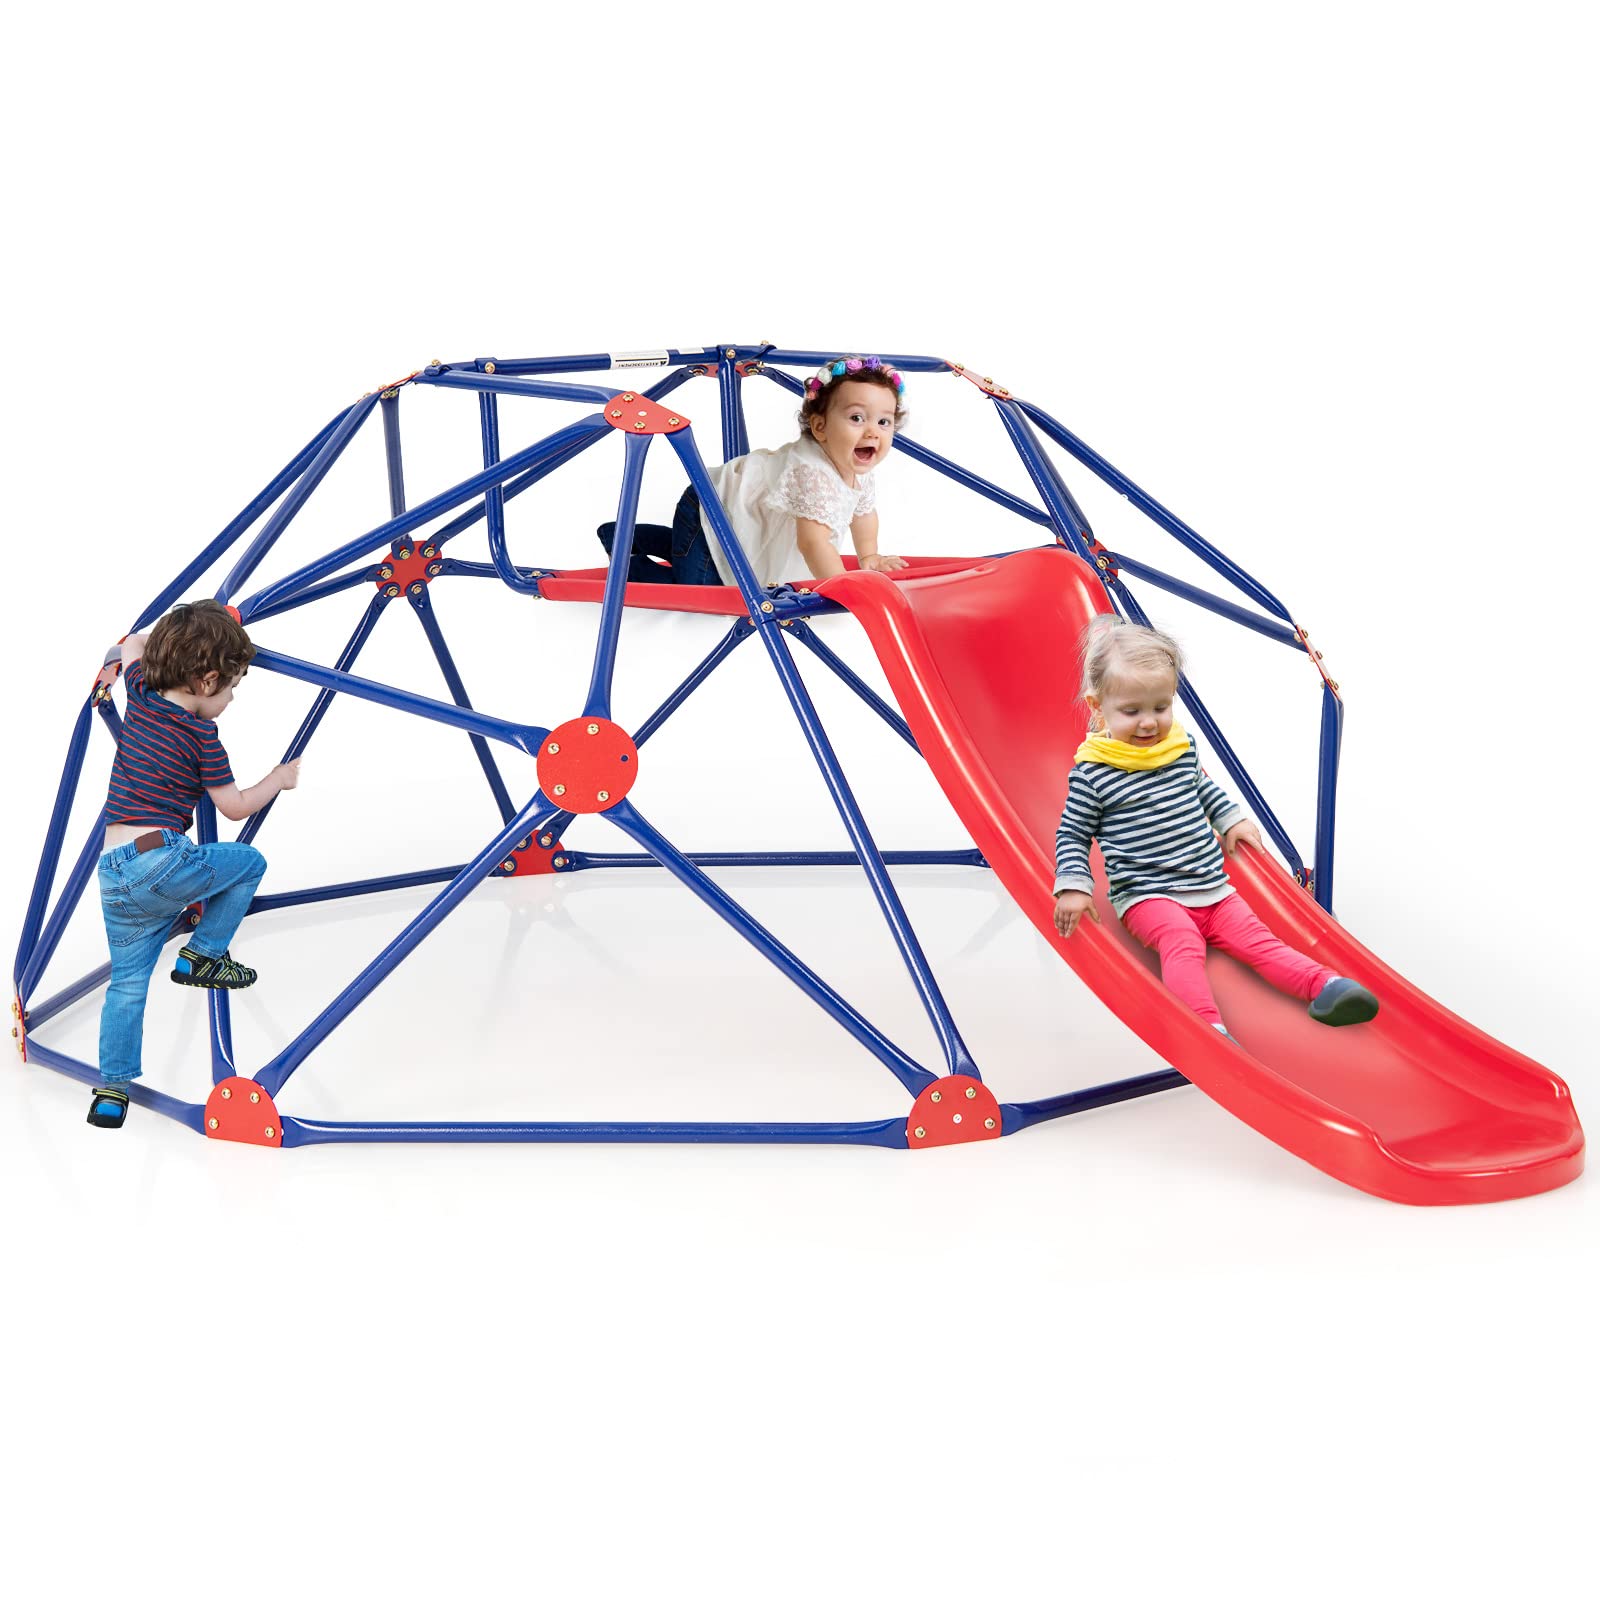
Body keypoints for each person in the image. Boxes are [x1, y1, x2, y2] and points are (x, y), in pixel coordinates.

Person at [1052, 616, 1377, 1042]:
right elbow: (1072, 834)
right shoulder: (1094, 774)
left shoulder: (1179, 747)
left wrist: (1230, 819)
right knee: (1182, 941)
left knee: (1258, 941)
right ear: (1098, 707)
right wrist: (1073, 886)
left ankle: (1327, 987)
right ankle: (1205, 1028)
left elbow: (1202, 788)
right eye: (1131, 711)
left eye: (1160, 707)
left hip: (1211, 887)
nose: (1149, 723)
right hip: (1148, 895)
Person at [88, 599, 301, 1128]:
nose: (231, 698)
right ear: (206, 681)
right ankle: (201, 955)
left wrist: (135, 651)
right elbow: (234, 807)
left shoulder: (139, 691)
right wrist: (278, 779)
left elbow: (133, 643)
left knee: (126, 986)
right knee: (248, 862)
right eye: (231, 687)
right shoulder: (204, 737)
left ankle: (111, 1092)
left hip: (112, 872)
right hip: (161, 859)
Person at [596, 355, 909, 588]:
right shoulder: (812, 474)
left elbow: (863, 514)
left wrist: (869, 556)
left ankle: (629, 536)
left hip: (739, 519)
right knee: (702, 585)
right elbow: (813, 543)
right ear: (820, 427)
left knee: (694, 553)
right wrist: (842, 587)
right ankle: (627, 561)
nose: (872, 432)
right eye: (857, 418)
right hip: (712, 508)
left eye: (884, 422)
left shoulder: (856, 467)